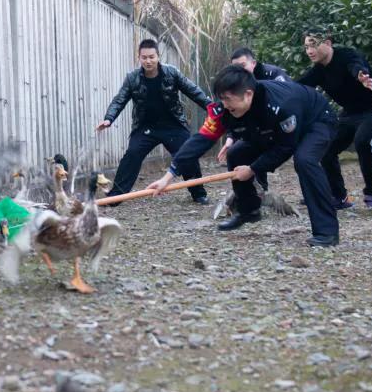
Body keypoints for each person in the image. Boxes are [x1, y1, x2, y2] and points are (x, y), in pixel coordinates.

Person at [147, 65, 341, 247]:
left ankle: (327, 232)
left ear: (248, 94)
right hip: (271, 129)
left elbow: (285, 147)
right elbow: (200, 140)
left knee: (305, 159)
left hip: (316, 120)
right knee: (237, 153)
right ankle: (249, 211)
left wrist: (253, 169)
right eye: (222, 99)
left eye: (229, 100)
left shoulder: (281, 105)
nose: (225, 106)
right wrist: (168, 176)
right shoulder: (224, 109)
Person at [96, 39, 211, 205]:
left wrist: (212, 107)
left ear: (158, 56)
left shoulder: (172, 73)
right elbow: (119, 100)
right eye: (144, 57)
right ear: (139, 58)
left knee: (187, 154)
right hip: (145, 127)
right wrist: (109, 119)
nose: (148, 61)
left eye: (151, 57)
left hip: (173, 125)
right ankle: (116, 197)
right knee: (132, 154)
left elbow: (193, 91)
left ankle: (198, 193)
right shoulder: (132, 78)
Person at [296, 30, 372, 209]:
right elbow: (298, 86)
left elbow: (356, 65)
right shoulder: (318, 71)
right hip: (349, 113)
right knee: (327, 149)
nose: (309, 51)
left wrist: (361, 75)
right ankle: (339, 197)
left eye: (314, 44)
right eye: (306, 46)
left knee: (363, 141)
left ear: (328, 43)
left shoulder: (347, 55)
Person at [218, 48, 289, 165]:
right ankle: (254, 181)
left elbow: (289, 101)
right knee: (234, 153)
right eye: (235, 68)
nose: (239, 71)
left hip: (282, 125)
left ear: (253, 63)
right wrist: (230, 139)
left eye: (243, 65)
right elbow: (235, 111)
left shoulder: (273, 75)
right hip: (256, 129)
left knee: (303, 159)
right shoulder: (234, 84)